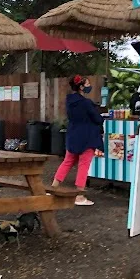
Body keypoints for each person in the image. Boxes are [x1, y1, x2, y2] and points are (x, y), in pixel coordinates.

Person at [51, 75, 103, 206]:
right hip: (87, 137)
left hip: (73, 135)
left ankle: (53, 188)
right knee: (83, 166)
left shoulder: (69, 101)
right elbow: (98, 119)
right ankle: (79, 195)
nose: (89, 86)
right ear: (81, 87)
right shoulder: (86, 103)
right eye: (87, 84)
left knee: (67, 162)